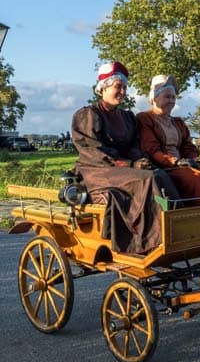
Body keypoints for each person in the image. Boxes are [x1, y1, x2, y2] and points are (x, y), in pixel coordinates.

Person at [70, 62, 180, 253]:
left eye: (124, 87)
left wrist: (141, 160)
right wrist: (130, 164)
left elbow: (134, 146)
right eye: (117, 87)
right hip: (96, 171)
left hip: (123, 169)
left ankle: (177, 224)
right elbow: (95, 152)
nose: (122, 91)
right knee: (148, 179)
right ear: (103, 88)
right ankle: (147, 239)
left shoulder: (127, 117)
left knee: (159, 174)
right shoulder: (88, 115)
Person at [136, 74, 200, 207]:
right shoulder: (145, 119)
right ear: (154, 98)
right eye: (167, 97)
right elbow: (151, 149)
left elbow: (188, 147)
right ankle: (198, 218)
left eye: (173, 97)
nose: (171, 101)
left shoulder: (178, 122)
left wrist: (194, 159)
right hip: (163, 169)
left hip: (183, 165)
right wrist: (174, 161)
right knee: (194, 178)